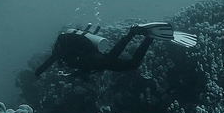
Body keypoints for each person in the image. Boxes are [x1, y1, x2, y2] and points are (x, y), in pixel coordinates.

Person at [34, 22, 197, 77]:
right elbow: (83, 70)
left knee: (110, 58)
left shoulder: (61, 51)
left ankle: (132, 32)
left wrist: (37, 73)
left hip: (96, 59)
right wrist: (74, 75)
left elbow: (48, 62)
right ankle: (149, 38)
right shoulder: (67, 52)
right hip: (96, 61)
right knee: (133, 65)